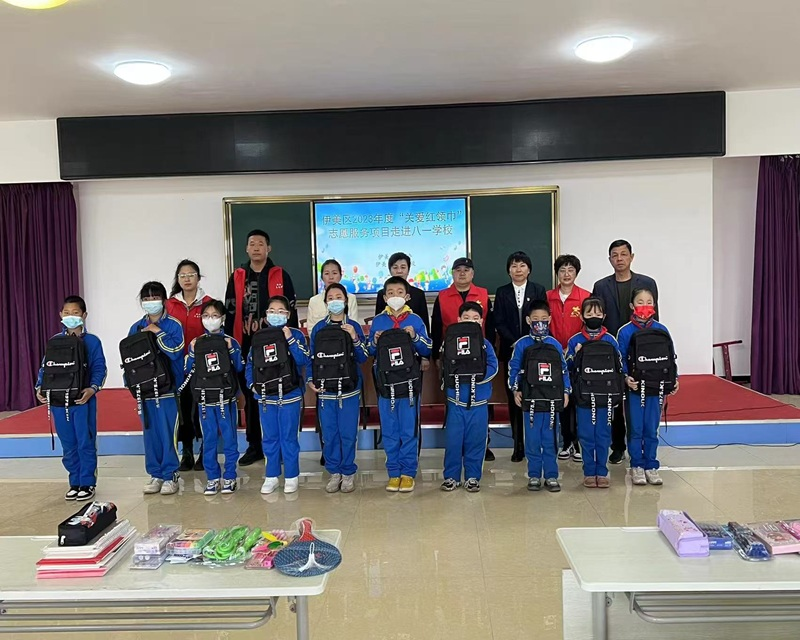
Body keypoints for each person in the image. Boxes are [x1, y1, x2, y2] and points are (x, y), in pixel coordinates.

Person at [225, 229, 299, 467]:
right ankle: (254, 446)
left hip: (277, 347)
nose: (256, 247)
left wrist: (291, 343)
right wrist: (231, 344)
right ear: (246, 249)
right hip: (247, 345)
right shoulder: (237, 276)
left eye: (261, 243)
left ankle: (280, 448)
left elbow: (292, 312)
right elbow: (230, 312)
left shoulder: (281, 275)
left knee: (279, 394)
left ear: (268, 248)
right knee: (252, 395)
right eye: (252, 243)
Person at [592, 240, 659, 466]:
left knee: (639, 402)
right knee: (614, 401)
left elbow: (654, 316)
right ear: (609, 259)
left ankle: (641, 450)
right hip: (611, 350)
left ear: (632, 257)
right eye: (615, 255)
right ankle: (618, 446)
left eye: (623, 254)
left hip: (640, 351)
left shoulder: (647, 283)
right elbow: (597, 318)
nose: (619, 258)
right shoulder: (601, 286)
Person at [35, 296, 107, 501]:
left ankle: (87, 482)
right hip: (59, 402)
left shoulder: (92, 341)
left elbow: (99, 368)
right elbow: (45, 368)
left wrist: (92, 389)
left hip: (82, 400)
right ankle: (74, 481)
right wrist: (40, 388)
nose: (71, 316)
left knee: (85, 442)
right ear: (60, 315)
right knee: (68, 444)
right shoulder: (55, 341)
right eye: (66, 313)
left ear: (84, 315)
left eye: (75, 313)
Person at [369, 276, 432, 493]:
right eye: (390, 292)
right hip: (385, 384)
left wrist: (415, 337)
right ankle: (393, 472)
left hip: (409, 384)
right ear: (384, 297)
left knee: (408, 429)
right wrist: (374, 341)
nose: (394, 296)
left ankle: (408, 473)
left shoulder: (415, 320)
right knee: (389, 430)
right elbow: (369, 351)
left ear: (407, 296)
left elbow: (427, 348)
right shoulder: (378, 321)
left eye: (399, 292)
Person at [245, 295, 310, 495]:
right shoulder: (259, 336)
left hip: (290, 394)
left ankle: (291, 476)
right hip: (265, 396)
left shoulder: (296, 334)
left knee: (289, 437)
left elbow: (303, 360)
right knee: (269, 437)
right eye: (272, 311)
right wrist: (252, 385)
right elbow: (250, 364)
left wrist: (289, 339)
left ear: (288, 315)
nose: (276, 314)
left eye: (281, 311)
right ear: (266, 315)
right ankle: (271, 475)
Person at [307, 283, 369, 494]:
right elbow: (312, 358)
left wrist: (354, 338)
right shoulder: (318, 328)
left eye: (339, 297)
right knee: (330, 434)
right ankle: (334, 472)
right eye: (330, 297)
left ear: (346, 300)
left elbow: (363, 357)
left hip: (349, 389)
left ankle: (348, 472)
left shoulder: (353, 326)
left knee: (348, 433)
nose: (335, 301)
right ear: (326, 302)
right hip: (326, 390)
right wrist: (310, 380)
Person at [432, 257, 495, 460]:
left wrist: (488, 352)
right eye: (457, 270)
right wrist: (436, 356)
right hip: (452, 358)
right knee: (454, 401)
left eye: (466, 270)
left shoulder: (483, 294)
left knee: (479, 403)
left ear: (472, 273)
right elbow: (436, 327)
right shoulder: (443, 296)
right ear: (452, 273)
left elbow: (490, 327)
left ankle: (484, 444)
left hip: (478, 357)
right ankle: (456, 445)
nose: (462, 273)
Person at [128, 282, 185, 495]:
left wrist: (157, 332)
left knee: (167, 433)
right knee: (150, 434)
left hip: (167, 389)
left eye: (155, 298)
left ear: (164, 300)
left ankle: (171, 475)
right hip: (145, 391)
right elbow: (130, 359)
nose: (151, 302)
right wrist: (131, 385)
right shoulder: (136, 327)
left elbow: (176, 351)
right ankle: (156, 474)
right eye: (146, 298)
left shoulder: (173, 325)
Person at [617, 288, 678, 486]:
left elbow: (670, 358)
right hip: (635, 388)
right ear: (632, 306)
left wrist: (674, 379)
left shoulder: (662, 329)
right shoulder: (625, 331)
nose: (645, 306)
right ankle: (637, 465)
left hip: (656, 387)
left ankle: (651, 464)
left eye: (649, 302)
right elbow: (620, 359)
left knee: (651, 428)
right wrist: (626, 378)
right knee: (635, 428)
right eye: (640, 302)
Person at [508, 300, 571, 493]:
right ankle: (534, 475)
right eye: (535, 319)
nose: (540, 322)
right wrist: (515, 390)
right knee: (532, 439)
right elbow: (514, 369)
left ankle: (551, 475)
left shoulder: (555, 344)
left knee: (550, 439)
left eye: (544, 319)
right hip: (530, 400)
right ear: (528, 320)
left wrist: (566, 391)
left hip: (552, 400)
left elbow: (564, 370)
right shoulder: (521, 344)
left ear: (550, 319)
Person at [184, 300, 244, 495]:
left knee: (229, 439)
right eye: (206, 316)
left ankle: (230, 476)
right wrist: (193, 352)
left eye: (215, 315)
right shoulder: (197, 342)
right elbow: (188, 370)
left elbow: (239, 366)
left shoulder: (230, 341)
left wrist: (231, 349)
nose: (210, 319)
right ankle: (212, 478)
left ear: (223, 318)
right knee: (208, 440)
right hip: (205, 400)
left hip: (226, 399)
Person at [493, 251, 547, 462]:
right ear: (509, 270)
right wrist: (516, 342)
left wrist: (528, 342)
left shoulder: (538, 290)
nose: (518, 270)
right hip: (511, 350)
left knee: (534, 396)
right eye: (514, 266)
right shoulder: (502, 292)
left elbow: (542, 319)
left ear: (529, 269)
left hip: (535, 351)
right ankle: (518, 445)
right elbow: (498, 321)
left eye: (522, 265)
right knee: (513, 397)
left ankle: (535, 443)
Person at [440, 302, 498, 493]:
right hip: (455, 402)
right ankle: (451, 477)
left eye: (475, 318)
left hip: (478, 403)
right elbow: (444, 366)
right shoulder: (450, 341)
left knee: (476, 441)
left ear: (481, 321)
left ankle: (473, 477)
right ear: (458, 320)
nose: (471, 321)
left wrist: (476, 377)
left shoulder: (485, 344)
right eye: (466, 318)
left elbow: (493, 367)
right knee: (453, 441)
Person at [565, 298, 622, 488]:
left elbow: (619, 367)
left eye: (598, 314)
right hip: (583, 396)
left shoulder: (610, 340)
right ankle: (589, 471)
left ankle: (602, 471)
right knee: (586, 434)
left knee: (603, 434)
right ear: (582, 316)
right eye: (589, 314)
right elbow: (567, 367)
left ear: (604, 316)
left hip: (606, 396)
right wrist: (575, 355)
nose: (593, 317)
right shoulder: (575, 340)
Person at [166, 259, 212, 473]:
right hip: (177, 367)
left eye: (191, 274)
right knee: (182, 411)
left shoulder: (208, 303)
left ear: (198, 277)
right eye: (182, 275)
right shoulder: (169, 305)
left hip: (202, 367)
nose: (187, 279)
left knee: (201, 410)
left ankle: (204, 451)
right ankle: (186, 452)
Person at [546, 254, 591, 463]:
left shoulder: (585, 297)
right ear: (557, 273)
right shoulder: (548, 297)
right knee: (562, 400)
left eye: (570, 270)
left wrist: (573, 348)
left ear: (576, 273)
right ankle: (566, 441)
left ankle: (579, 442)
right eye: (562, 270)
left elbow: (589, 325)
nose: (566, 274)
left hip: (579, 356)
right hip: (555, 356)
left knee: (579, 399)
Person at [373, 252, 430, 330]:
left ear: (408, 270)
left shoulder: (418, 294)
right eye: (395, 267)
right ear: (390, 270)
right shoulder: (382, 293)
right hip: (388, 335)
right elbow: (378, 323)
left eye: (403, 267)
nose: (399, 271)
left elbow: (424, 325)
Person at [306, 259, 361, 330]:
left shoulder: (351, 298)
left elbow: (354, 325)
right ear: (322, 277)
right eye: (327, 273)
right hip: (321, 336)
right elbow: (311, 329)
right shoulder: (314, 301)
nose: (331, 277)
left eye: (334, 273)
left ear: (340, 276)